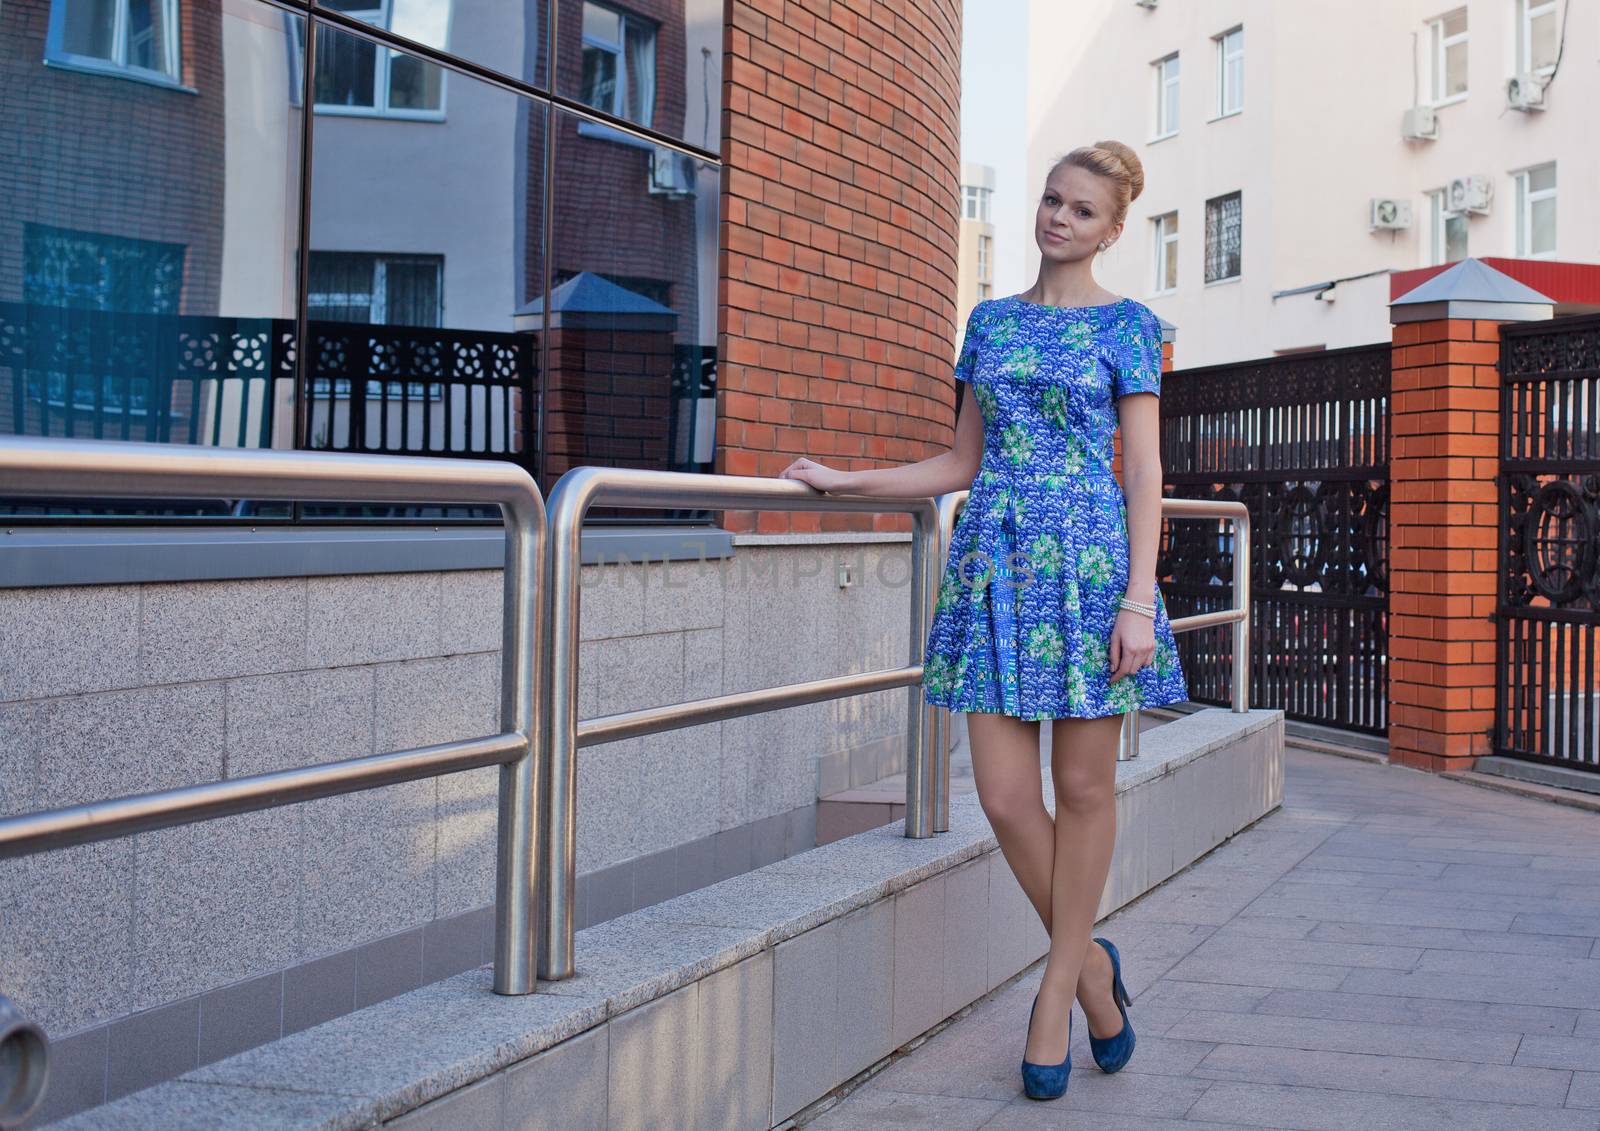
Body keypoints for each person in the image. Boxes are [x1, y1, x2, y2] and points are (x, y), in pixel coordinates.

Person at [777, 139, 1189, 1101]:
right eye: (1052, 200)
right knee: (1005, 797)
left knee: (1082, 790)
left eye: (1083, 210)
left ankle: (1054, 994)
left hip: (1089, 572)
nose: (1058, 218)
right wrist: (847, 482)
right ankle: (1094, 969)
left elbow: (1145, 473)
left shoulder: (1131, 327)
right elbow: (959, 462)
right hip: (995, 569)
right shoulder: (990, 323)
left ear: (1113, 229)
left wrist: (1139, 597)